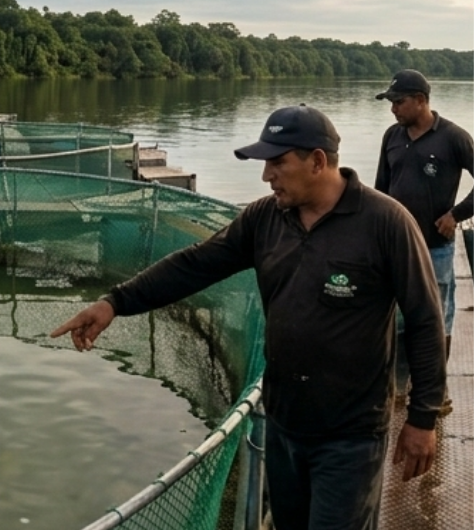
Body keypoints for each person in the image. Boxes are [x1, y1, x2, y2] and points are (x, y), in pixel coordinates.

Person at [51, 105, 444, 530]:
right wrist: (115, 302)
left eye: (277, 163)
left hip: (351, 434)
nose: (266, 176)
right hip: (283, 423)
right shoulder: (264, 218)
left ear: (317, 161)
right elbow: (194, 265)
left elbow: (425, 320)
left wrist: (422, 418)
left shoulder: (386, 223)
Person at [374, 69, 474, 356]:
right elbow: (381, 189)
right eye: (391, 103)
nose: (393, 109)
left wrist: (455, 215)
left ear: (420, 100)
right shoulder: (392, 136)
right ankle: (399, 375)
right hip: (395, 246)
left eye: (399, 102)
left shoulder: (453, 137)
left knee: (437, 315)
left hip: (435, 246)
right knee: (393, 317)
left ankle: (436, 376)